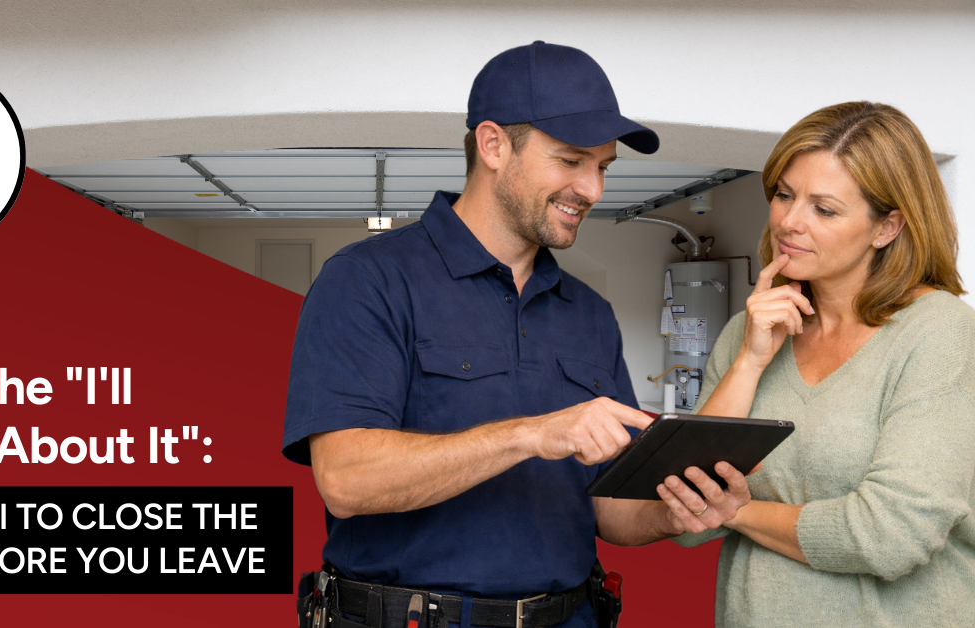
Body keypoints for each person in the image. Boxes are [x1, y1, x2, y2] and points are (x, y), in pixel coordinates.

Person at [282, 41, 751, 628]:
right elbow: (346, 481)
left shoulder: (590, 314)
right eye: (572, 160)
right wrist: (532, 434)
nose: (593, 190)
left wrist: (675, 514)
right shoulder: (369, 280)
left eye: (603, 167)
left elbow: (609, 509)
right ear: (494, 144)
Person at [672, 101, 975, 628]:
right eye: (784, 195)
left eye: (824, 209)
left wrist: (737, 511)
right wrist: (749, 361)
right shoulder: (747, 333)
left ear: (887, 227)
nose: (790, 222)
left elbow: (890, 535)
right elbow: (684, 517)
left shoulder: (940, 333)